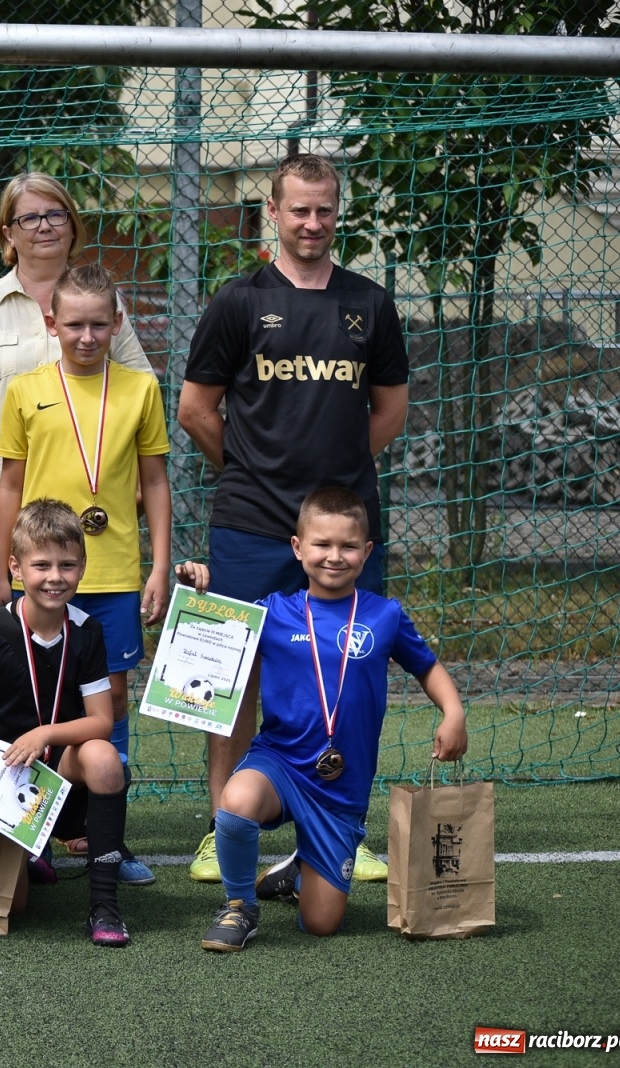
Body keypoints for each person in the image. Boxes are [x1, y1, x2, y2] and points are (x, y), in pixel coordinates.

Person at [177, 153, 411, 884]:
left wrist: (329, 500)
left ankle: (344, 827)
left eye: (325, 210)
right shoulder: (237, 303)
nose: (313, 223)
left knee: (346, 679)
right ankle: (223, 828)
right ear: (271, 214)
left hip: (343, 530)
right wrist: (252, 471)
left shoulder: (370, 304)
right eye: (299, 210)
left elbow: (391, 410)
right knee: (231, 679)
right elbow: (195, 409)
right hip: (249, 522)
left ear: (338, 215)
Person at [0, 174, 156, 886]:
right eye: (28, 217)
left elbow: (135, 406)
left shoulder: (102, 305)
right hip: (3, 521)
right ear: (8, 230)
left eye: (56, 214)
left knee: (98, 690)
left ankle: (93, 834)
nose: (43, 226)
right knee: (10, 682)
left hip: (94, 540)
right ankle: (16, 821)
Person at [200, 487, 466, 951]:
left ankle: (296, 871)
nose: (334, 556)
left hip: (340, 787)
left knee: (321, 924)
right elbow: (209, 641)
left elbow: (427, 667)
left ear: (366, 552)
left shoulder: (385, 615)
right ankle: (239, 905)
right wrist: (197, 591)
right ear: (298, 548)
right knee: (235, 802)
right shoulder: (271, 612)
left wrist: (454, 711)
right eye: (322, 545)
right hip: (280, 764)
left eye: (347, 546)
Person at [0, 500, 212, 947]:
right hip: (3, 784)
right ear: (16, 567)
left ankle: (104, 906)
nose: (55, 576)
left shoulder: (87, 632)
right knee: (16, 908)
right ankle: (28, 853)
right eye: (41, 564)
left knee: (105, 760)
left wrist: (46, 734)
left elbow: (102, 721)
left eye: (67, 564)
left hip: (60, 779)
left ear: (82, 567)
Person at [0, 263, 172, 886]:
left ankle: (105, 840)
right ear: (52, 323)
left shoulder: (140, 390)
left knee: (112, 701)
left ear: (118, 323)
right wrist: (1, 575)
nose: (87, 336)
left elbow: (154, 481)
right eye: (74, 324)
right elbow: (9, 486)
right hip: (43, 573)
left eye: (99, 323)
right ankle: (32, 831)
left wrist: (160, 566)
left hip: (115, 569)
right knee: (36, 699)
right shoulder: (25, 390)